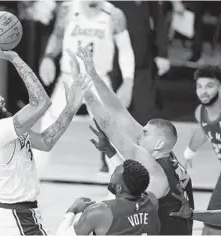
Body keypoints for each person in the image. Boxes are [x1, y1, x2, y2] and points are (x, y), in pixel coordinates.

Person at [0, 42, 90, 235]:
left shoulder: (2, 125)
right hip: (13, 216)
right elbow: (41, 102)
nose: (2, 99)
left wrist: (71, 108)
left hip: (11, 211)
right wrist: (14, 58)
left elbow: (46, 141)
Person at [67, 47, 194, 235]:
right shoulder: (169, 158)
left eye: (146, 134)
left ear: (158, 144)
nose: (139, 135)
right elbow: (119, 112)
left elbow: (109, 125)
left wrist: (84, 92)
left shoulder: (156, 169)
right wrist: (93, 75)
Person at [38, 0, 135, 177]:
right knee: (48, 127)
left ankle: (121, 188)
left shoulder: (115, 14)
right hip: (69, 78)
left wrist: (128, 81)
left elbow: (126, 50)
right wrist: (48, 57)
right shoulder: (67, 9)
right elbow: (58, 36)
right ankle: (31, 183)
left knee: (112, 131)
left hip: (98, 81)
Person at [56, 159, 160, 235]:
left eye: (114, 173)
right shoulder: (152, 201)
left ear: (119, 188)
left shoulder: (99, 212)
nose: (111, 176)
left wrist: (72, 210)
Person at [183, 65, 221, 235]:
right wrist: (189, 152)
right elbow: (204, 130)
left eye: (210, 86)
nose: (204, 91)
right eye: (200, 86)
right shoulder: (200, 111)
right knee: (209, 229)